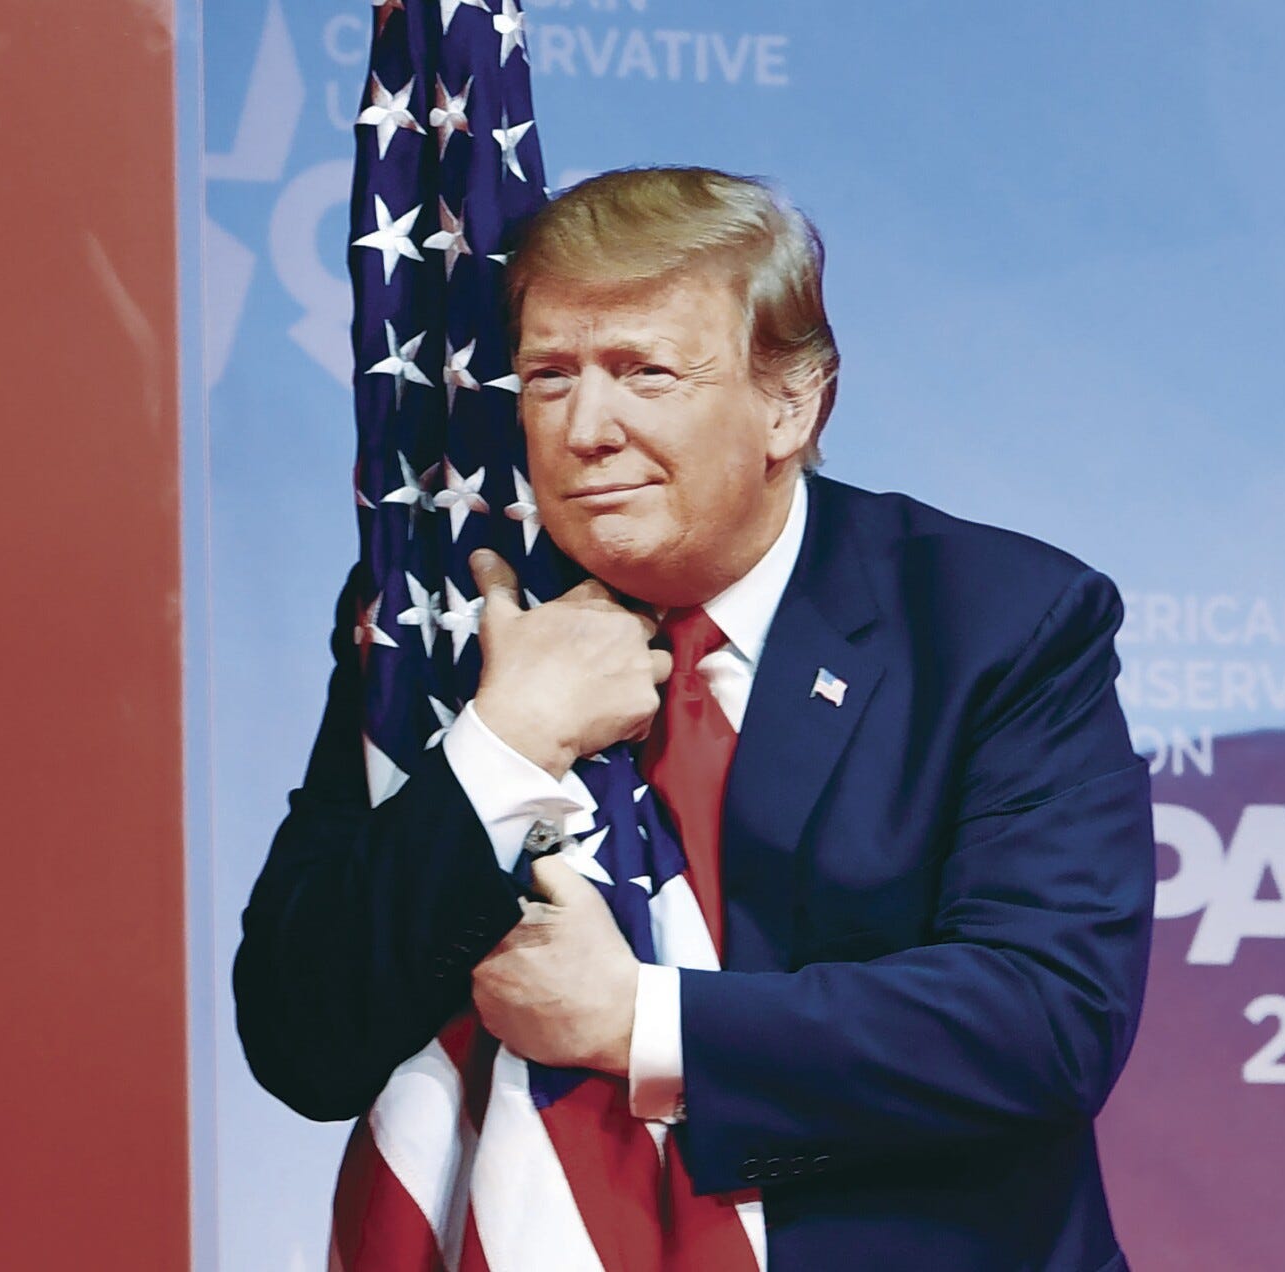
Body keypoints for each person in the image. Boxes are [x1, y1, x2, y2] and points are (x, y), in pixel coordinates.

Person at [235, 167, 1154, 1271]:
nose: (585, 429)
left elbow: (1049, 1021)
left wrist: (639, 1022)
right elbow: (303, 1043)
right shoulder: (442, 620)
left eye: (645, 373)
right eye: (550, 376)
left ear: (790, 404)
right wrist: (504, 743)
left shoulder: (992, 620)